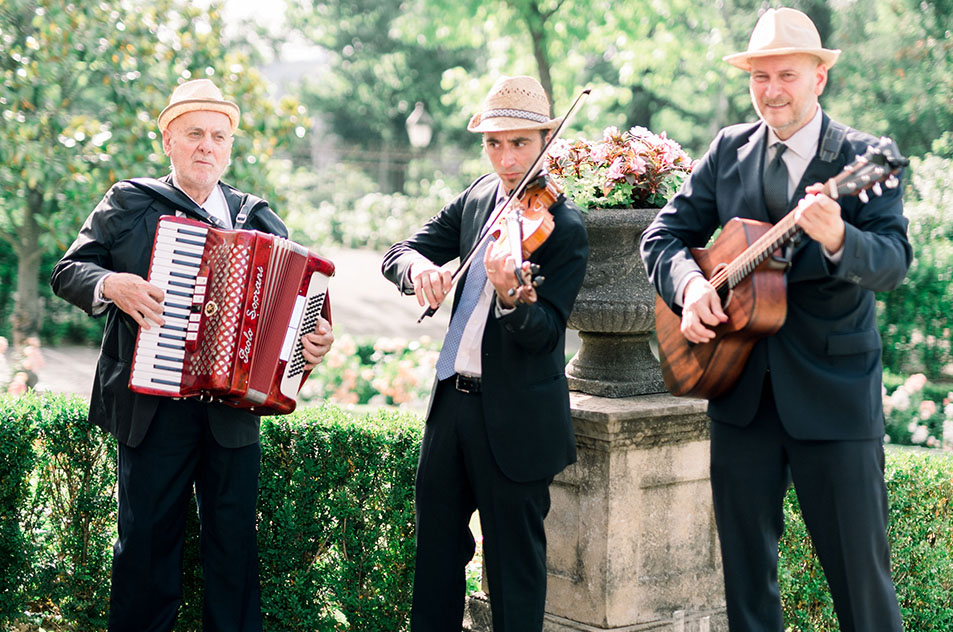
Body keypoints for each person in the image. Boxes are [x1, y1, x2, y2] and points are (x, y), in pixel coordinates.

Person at [640, 8, 910, 632]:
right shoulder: (728, 149)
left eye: (786, 74)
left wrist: (842, 237)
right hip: (739, 393)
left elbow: (893, 263)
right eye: (760, 77)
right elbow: (663, 235)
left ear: (819, 78)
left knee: (863, 590)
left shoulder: (865, 159)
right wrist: (689, 287)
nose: (772, 91)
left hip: (834, 399)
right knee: (746, 592)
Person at [50, 79, 334, 632]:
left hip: (232, 412)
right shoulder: (130, 202)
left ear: (230, 147)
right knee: (146, 547)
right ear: (168, 142)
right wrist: (113, 285)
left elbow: (305, 307)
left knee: (233, 552)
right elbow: (69, 271)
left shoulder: (255, 216)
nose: (207, 145)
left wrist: (316, 341)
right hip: (154, 408)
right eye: (195, 134)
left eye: (218, 136)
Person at [382, 75, 588, 631]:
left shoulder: (563, 226)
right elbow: (400, 251)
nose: (505, 157)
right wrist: (419, 269)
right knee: (435, 565)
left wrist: (512, 298)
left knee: (514, 577)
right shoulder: (477, 198)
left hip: (518, 419)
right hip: (451, 406)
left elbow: (546, 334)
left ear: (546, 139)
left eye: (519, 143)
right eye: (494, 143)